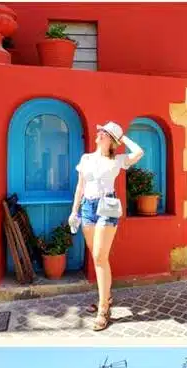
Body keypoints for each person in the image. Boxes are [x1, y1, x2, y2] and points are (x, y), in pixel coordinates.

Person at [68, 121, 144, 331]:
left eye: (105, 133)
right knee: (97, 257)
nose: (99, 133)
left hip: (107, 207)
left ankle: (103, 309)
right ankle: (107, 298)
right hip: (87, 207)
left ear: (111, 140)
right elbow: (80, 187)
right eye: (100, 131)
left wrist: (122, 137)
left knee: (100, 257)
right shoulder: (86, 159)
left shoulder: (117, 160)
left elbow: (139, 152)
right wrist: (74, 211)